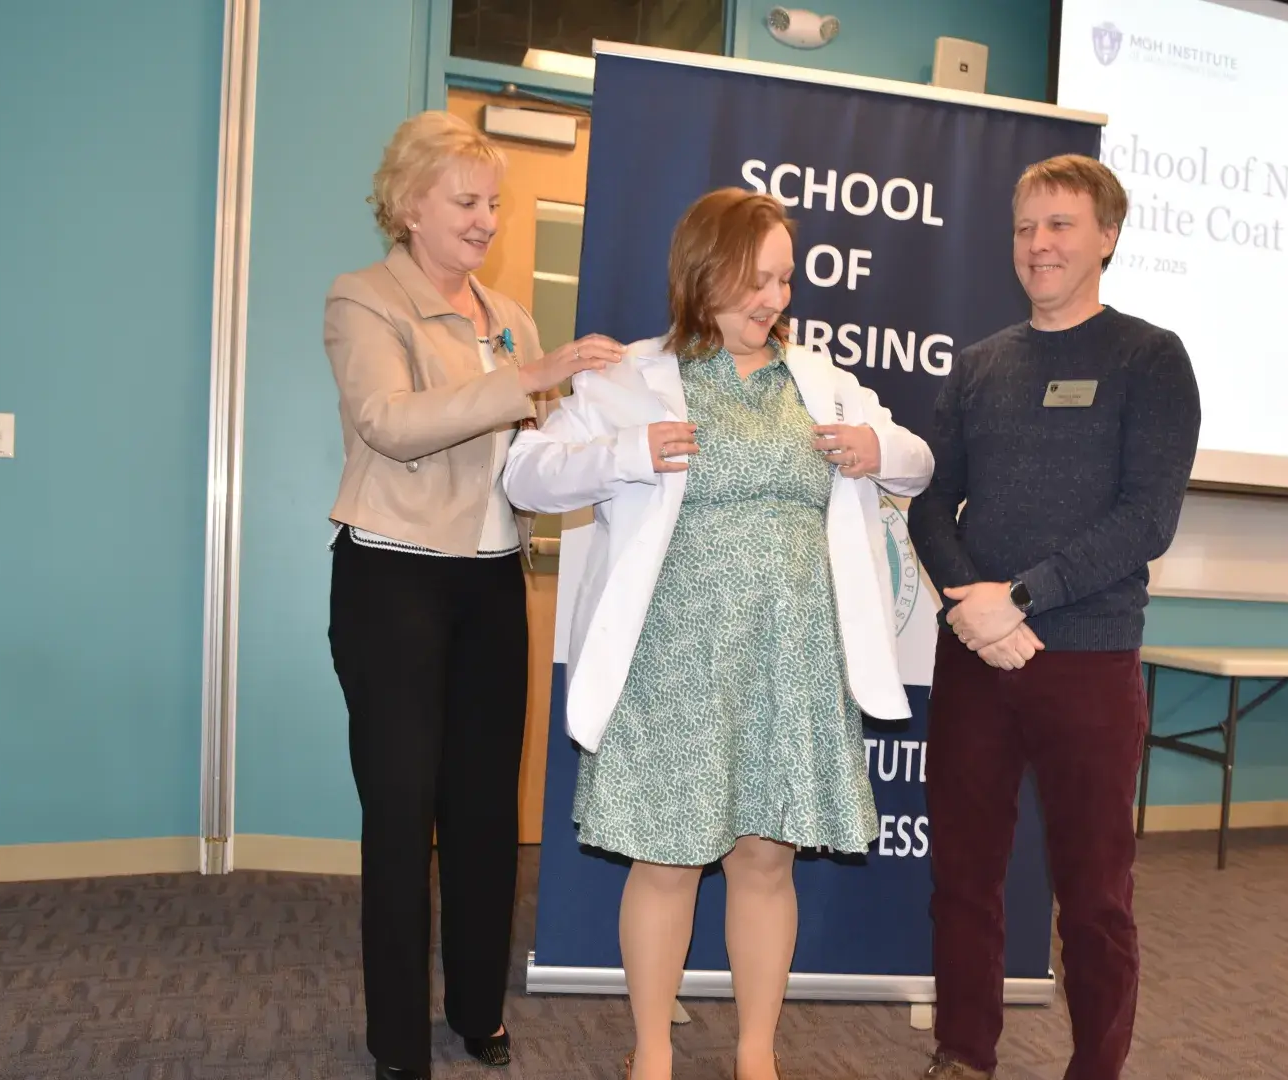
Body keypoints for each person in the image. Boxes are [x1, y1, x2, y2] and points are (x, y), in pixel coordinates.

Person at [503, 188, 934, 1080]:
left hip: (791, 658)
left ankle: (755, 1054)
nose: (775, 299)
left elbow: (918, 462)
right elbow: (526, 475)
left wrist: (877, 451)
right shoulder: (631, 376)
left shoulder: (820, 381)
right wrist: (624, 454)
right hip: (673, 659)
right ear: (704, 275)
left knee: (765, 860)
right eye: (756, 280)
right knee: (665, 859)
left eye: (784, 280)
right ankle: (653, 1053)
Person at [322, 110, 625, 1080]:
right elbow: (389, 422)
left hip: (493, 581)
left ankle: (478, 1011)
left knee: (488, 811)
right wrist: (529, 378)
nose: (487, 221)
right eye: (466, 202)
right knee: (401, 815)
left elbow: (533, 450)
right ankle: (398, 1041)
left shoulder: (512, 316)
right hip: (394, 579)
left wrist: (618, 444)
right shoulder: (365, 299)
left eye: (493, 203)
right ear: (409, 205)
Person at [907, 154, 1202, 1080]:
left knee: (1095, 896)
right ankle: (963, 1053)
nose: (1039, 243)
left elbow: (1147, 520)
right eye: (1025, 226)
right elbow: (930, 504)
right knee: (963, 877)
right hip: (975, 658)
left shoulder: (1150, 359)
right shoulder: (980, 365)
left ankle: (1096, 1067)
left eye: (1061, 224)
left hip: (1088, 661)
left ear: (1107, 237)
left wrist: (1021, 598)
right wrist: (973, 604)